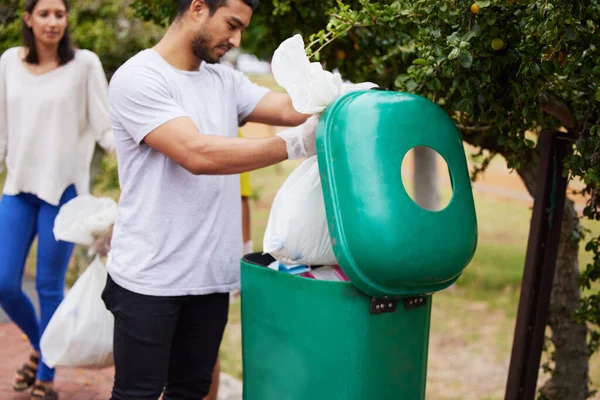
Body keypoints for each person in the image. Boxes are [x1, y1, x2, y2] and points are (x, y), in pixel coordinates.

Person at [104, 1, 371, 398]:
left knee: (191, 390)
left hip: (210, 277)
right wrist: (296, 143)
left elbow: (285, 106)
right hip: (150, 278)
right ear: (197, 8)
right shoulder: (139, 78)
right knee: (137, 393)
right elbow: (196, 153)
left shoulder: (223, 80)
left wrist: (343, 97)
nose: (236, 39)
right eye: (231, 25)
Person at [0, 0, 114, 399]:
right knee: (4, 283)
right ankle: (40, 345)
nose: (52, 22)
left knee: (49, 286)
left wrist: (138, 162)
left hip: (63, 193)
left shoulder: (85, 64)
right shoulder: (8, 63)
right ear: (28, 19)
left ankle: (46, 377)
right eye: (44, 13)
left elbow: (105, 128)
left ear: (67, 20)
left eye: (59, 14)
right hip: (17, 188)